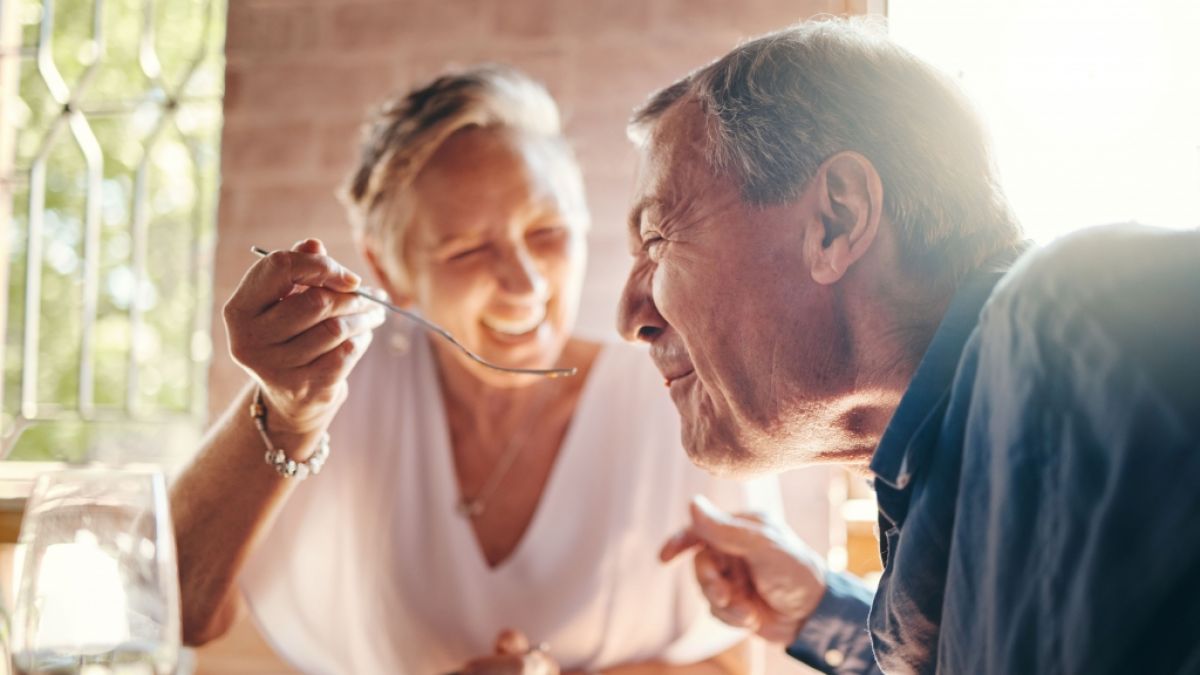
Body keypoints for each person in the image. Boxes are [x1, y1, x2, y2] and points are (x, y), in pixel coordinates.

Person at [617, 18, 1200, 675]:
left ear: (837, 218)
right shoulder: (948, 474)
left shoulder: (1075, 330)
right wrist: (818, 612)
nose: (630, 315)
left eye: (658, 239)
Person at [171, 65, 779, 675]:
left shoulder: (676, 399)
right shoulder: (337, 380)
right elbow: (181, 610)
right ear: (390, 271)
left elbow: (732, 659)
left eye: (547, 231)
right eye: (467, 249)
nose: (525, 283)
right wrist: (286, 411)